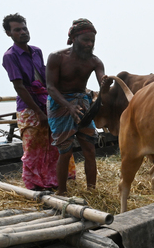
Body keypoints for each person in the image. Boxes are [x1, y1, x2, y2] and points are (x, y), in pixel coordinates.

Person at [2, 13, 75, 190]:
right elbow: (20, 87)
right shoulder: (10, 56)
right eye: (17, 30)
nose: (23, 32)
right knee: (33, 148)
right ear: (9, 33)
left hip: (46, 101)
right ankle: (35, 186)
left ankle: (56, 181)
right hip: (29, 107)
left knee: (54, 144)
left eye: (24, 28)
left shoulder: (37, 51)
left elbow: (45, 80)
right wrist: (39, 113)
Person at [46, 18, 110, 195]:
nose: (89, 44)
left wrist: (105, 85)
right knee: (65, 151)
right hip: (60, 104)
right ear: (73, 38)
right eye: (85, 40)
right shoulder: (56, 57)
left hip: (82, 104)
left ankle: (92, 192)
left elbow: (102, 81)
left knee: (89, 148)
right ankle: (62, 191)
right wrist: (68, 106)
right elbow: (50, 87)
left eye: (92, 41)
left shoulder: (95, 62)